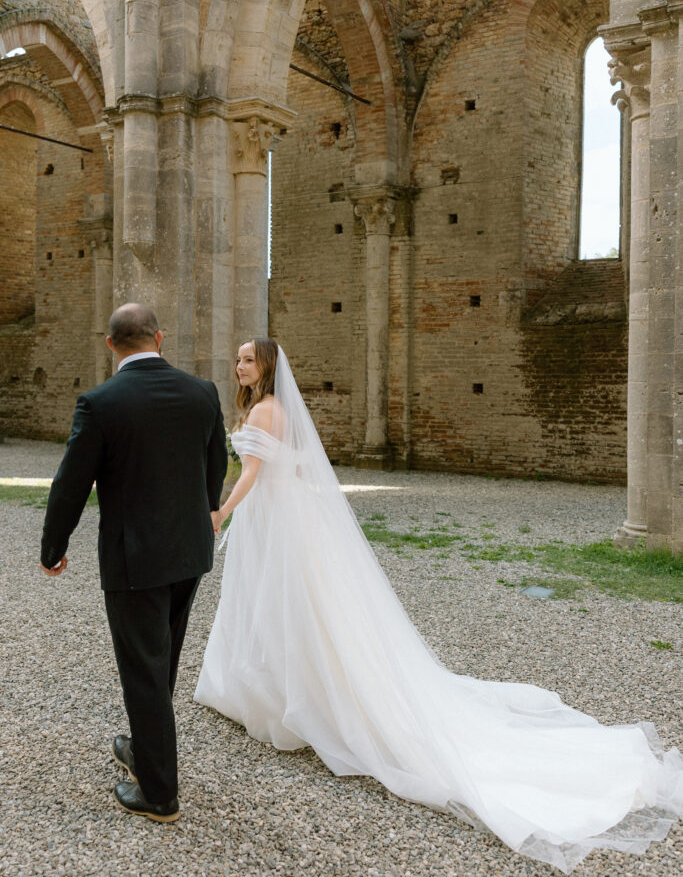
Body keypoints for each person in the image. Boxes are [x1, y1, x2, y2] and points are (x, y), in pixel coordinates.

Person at [195, 337, 682, 873]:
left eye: (247, 359)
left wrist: (221, 513)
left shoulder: (266, 408)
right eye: (238, 359)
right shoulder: (277, 408)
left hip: (272, 518)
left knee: (283, 604)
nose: (239, 366)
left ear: (266, 367)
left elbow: (252, 474)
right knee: (283, 604)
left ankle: (291, 695)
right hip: (281, 519)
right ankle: (276, 685)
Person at [41, 303, 227, 822]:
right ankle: (146, 747)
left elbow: (70, 484)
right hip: (190, 550)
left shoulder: (100, 402)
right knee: (159, 660)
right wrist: (204, 513)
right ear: (159, 338)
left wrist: (52, 548)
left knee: (144, 667)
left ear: (110, 345)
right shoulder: (203, 392)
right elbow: (217, 463)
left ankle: (159, 794)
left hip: (134, 557)